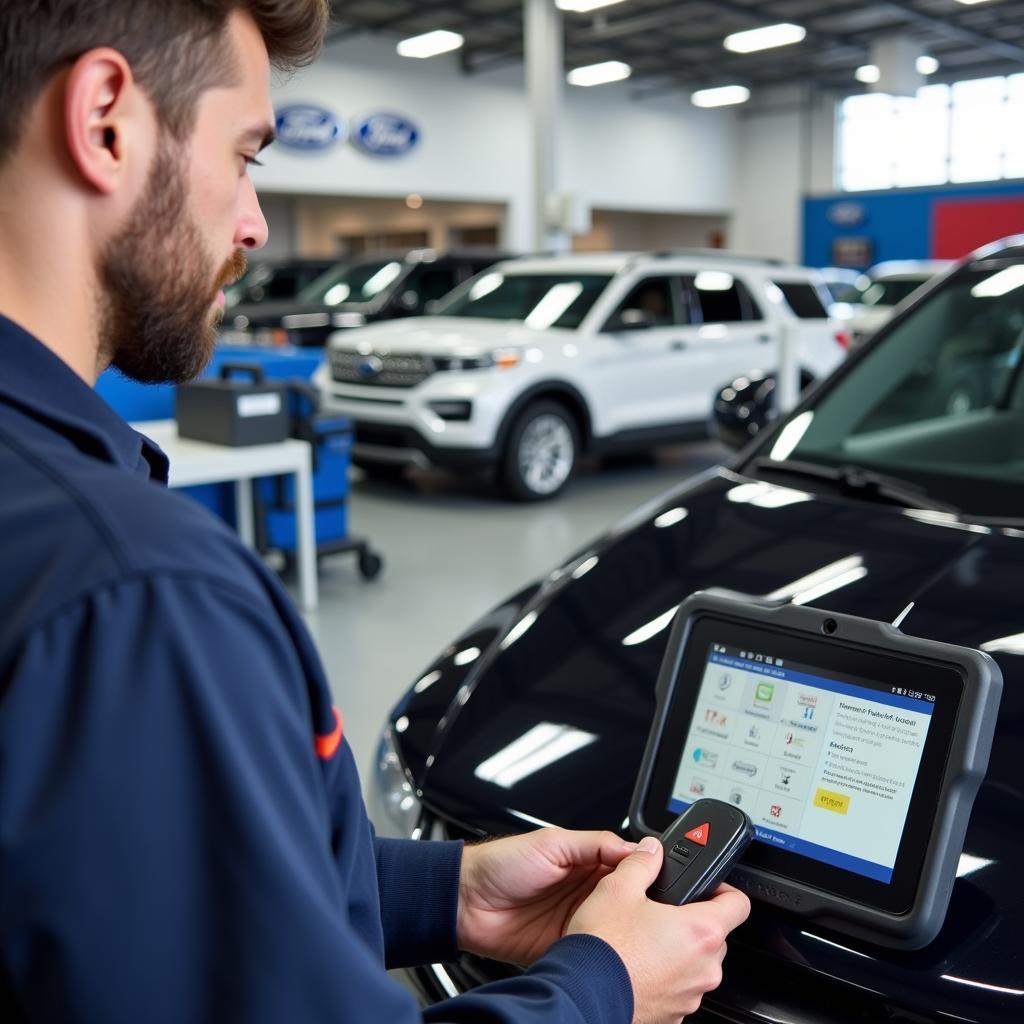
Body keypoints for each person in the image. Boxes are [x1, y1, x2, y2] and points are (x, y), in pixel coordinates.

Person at [0, 2, 750, 1021]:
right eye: (244, 152)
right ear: (105, 121)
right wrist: (603, 987)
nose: (254, 221)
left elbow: (120, 910)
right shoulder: (137, 593)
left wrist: (447, 892)